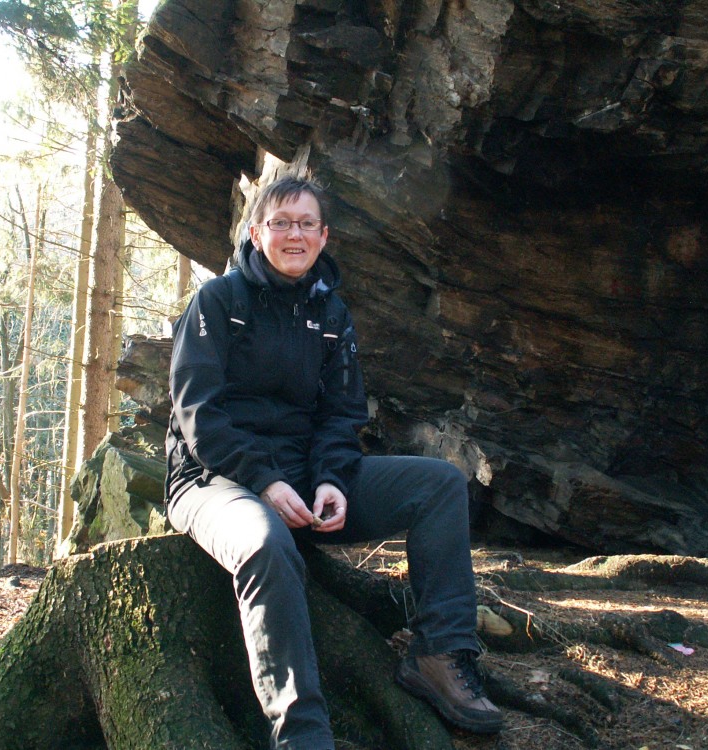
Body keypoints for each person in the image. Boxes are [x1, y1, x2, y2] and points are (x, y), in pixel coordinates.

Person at [165, 175, 502, 749]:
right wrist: (265, 481)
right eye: (280, 223)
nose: (293, 235)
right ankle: (302, 734)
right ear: (256, 233)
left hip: (302, 478)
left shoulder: (332, 314)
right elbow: (199, 414)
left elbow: (342, 415)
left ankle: (440, 656)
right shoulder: (218, 302)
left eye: (306, 224)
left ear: (324, 237)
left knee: (440, 484)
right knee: (265, 543)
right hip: (212, 479)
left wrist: (331, 481)